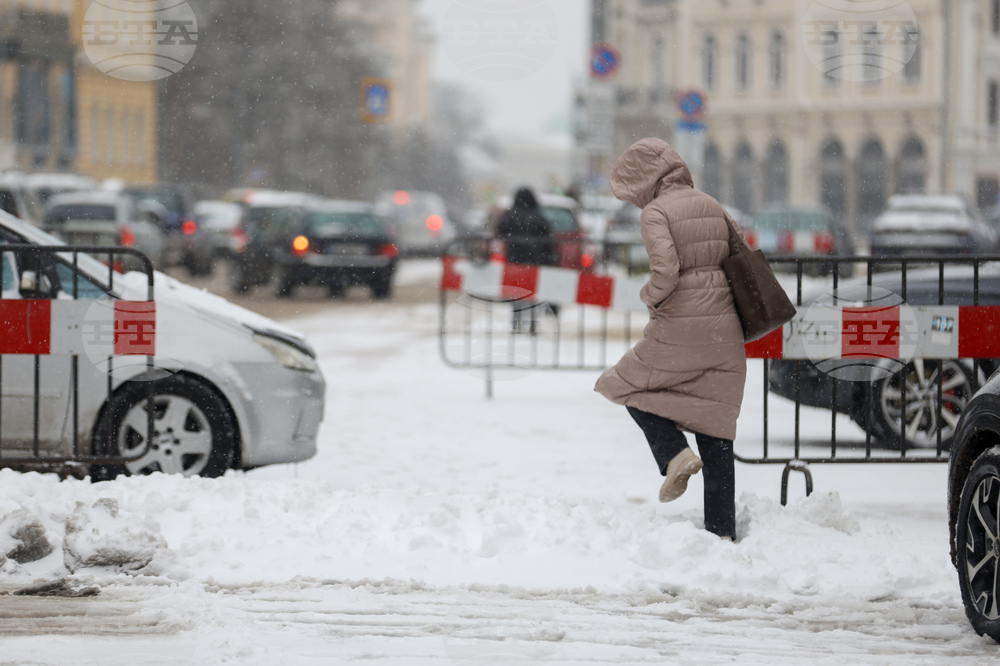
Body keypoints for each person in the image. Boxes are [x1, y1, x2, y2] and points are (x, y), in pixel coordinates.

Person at [594, 138, 746, 541]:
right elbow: (742, 256)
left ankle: (673, 453)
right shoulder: (712, 204)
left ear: (645, 180)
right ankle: (721, 532)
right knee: (716, 422)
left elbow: (666, 271)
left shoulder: (656, 212)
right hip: (724, 326)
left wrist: (649, 298)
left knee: (622, 384)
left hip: (680, 321)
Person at [496, 187, 556, 331]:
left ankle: (516, 323)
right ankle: (533, 324)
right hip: (534, 261)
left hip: (515, 260)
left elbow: (500, 230)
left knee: (515, 293)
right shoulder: (538, 216)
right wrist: (548, 258)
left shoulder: (511, 215)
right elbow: (548, 238)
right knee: (532, 293)